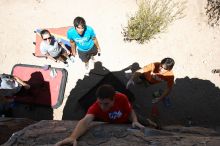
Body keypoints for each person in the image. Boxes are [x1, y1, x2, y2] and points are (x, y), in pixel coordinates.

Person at [55, 84, 144, 146]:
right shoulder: (95, 107)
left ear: (114, 99)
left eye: (106, 104)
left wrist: (135, 120)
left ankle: (154, 124)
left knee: (147, 122)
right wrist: (72, 137)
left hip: (128, 119)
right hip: (117, 122)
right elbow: (85, 121)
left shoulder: (122, 97)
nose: (102, 107)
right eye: (100, 103)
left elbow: (130, 110)